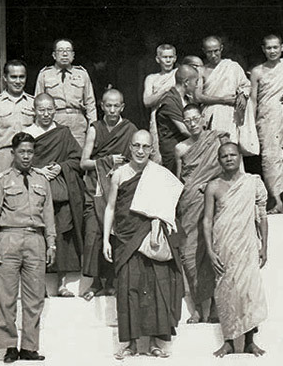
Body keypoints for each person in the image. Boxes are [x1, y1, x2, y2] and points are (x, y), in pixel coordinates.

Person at [102, 130, 184, 359]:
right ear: (129, 147)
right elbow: (110, 207)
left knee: (157, 288)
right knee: (128, 288)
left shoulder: (159, 174)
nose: (140, 151)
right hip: (126, 238)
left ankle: (156, 343)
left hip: (151, 237)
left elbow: (170, 207)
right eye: (136, 146)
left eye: (145, 147)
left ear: (151, 149)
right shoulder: (118, 174)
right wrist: (106, 239)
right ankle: (130, 344)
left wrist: (158, 226)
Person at [0, 132, 56, 363]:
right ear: (13, 153)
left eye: (30, 152)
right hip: (9, 239)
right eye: (22, 152)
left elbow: (48, 214)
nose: (26, 156)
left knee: (35, 297)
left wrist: (51, 243)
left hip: (36, 240)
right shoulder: (2, 180)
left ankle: (29, 347)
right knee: (6, 297)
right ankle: (9, 347)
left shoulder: (41, 179)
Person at [202, 142, 268, 357]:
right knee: (226, 290)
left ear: (240, 157)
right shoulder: (213, 186)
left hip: (247, 245)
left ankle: (250, 341)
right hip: (224, 246)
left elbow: (262, 217)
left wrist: (264, 245)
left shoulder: (252, 182)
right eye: (224, 156)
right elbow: (207, 221)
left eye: (232, 154)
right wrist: (211, 251)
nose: (229, 158)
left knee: (248, 291)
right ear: (219, 160)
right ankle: (228, 341)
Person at [24, 94, 85, 297]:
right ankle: (38, 284)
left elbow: (77, 159)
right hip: (36, 192)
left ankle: (62, 284)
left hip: (60, 193)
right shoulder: (28, 134)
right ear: (34, 110)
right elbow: (20, 161)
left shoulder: (63, 133)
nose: (46, 114)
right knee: (38, 237)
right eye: (41, 109)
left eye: (50, 109)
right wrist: (39, 170)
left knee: (62, 236)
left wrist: (60, 166)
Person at [80, 89, 137, 301]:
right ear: (101, 106)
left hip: (119, 187)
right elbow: (83, 162)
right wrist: (106, 161)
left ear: (122, 107)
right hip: (96, 188)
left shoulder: (130, 129)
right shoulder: (95, 128)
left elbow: (138, 159)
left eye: (116, 106)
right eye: (108, 106)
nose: (112, 110)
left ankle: (112, 281)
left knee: (116, 231)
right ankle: (96, 282)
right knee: (93, 232)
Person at [174, 104, 228, 324]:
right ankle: (198, 306)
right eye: (187, 121)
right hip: (189, 203)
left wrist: (211, 185)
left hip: (213, 201)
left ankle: (214, 305)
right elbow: (180, 180)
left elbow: (228, 170)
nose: (193, 123)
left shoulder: (217, 140)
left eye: (196, 119)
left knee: (211, 250)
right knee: (189, 255)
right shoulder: (180, 148)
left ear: (203, 119)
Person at [250, 35, 283, 214]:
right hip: (266, 121)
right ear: (263, 50)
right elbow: (254, 100)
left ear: (281, 48)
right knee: (269, 159)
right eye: (268, 48)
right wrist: (252, 124)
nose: (272, 51)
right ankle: (277, 201)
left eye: (275, 47)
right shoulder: (257, 72)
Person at [35, 38, 97, 147]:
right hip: (54, 121)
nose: (64, 54)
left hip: (77, 123)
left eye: (68, 50)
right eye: (60, 51)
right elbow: (37, 103)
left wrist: (92, 129)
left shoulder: (82, 74)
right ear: (54, 55)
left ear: (73, 55)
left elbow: (90, 104)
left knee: (78, 158)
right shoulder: (44, 75)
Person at [0, 60, 35, 175]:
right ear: (5, 78)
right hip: (3, 156)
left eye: (22, 77)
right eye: (13, 77)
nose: (18, 81)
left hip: (27, 156)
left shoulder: (33, 103)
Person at [198, 36, 251, 144]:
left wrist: (242, 95)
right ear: (204, 51)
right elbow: (198, 97)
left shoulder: (233, 66)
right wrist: (222, 100)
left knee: (231, 147)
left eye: (216, 51)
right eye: (209, 52)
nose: (213, 55)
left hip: (230, 115)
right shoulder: (201, 71)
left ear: (221, 48)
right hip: (210, 115)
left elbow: (246, 85)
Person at [143, 44, 178, 163]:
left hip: (176, 118)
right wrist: (165, 90)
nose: (168, 60)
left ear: (175, 58)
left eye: (170, 57)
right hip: (158, 119)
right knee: (158, 157)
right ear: (158, 59)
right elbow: (147, 101)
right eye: (164, 57)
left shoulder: (178, 73)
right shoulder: (152, 78)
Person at [156, 65, 193, 173]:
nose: (196, 86)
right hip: (172, 149)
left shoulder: (185, 99)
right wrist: (206, 139)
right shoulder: (170, 100)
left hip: (185, 147)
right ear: (186, 82)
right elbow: (183, 129)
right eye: (195, 82)